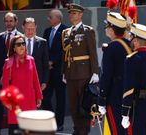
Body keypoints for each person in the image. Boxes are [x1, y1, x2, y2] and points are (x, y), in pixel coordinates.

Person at [62, 3, 99, 135]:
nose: (72, 15)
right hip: (70, 73)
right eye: (70, 13)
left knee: (84, 104)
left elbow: (93, 52)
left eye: (75, 13)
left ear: (81, 15)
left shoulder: (87, 30)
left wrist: (95, 72)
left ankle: (84, 130)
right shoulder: (65, 32)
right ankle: (77, 129)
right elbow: (64, 55)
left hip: (84, 73)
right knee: (73, 105)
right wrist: (64, 72)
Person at [97, 12, 132, 134]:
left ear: (111, 29)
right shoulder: (131, 45)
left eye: (107, 27)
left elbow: (106, 76)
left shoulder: (110, 48)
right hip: (130, 96)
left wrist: (101, 100)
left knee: (116, 131)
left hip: (115, 97)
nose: (106, 29)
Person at [0, 12, 22, 135]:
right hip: (0, 77)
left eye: (11, 21)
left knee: (14, 105)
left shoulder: (21, 37)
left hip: (15, 77)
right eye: (6, 21)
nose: (8, 23)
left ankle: (14, 131)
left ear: (15, 22)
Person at [2, 35, 42, 135]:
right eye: (18, 44)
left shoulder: (31, 59)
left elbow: (35, 80)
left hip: (30, 100)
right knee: (16, 130)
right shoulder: (8, 62)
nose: (21, 46)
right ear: (14, 48)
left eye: (23, 43)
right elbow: (5, 84)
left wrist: (39, 96)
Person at [42, 9, 67, 131]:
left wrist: (53, 61)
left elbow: (65, 50)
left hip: (59, 70)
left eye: (50, 17)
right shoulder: (47, 31)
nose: (48, 19)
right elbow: (43, 48)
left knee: (60, 98)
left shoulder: (65, 31)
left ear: (58, 18)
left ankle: (60, 123)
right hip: (47, 71)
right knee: (45, 97)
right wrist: (45, 62)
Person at [121, 23, 146, 135]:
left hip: (140, 104)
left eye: (131, 38)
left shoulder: (132, 59)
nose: (130, 41)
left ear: (136, 41)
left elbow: (129, 89)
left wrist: (125, 113)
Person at [22, 17, 49, 91]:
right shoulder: (17, 41)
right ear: (23, 27)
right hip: (21, 80)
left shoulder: (42, 42)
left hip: (38, 80)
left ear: (36, 27)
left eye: (32, 29)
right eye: (28, 29)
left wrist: (44, 81)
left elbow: (45, 64)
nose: (30, 31)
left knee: (36, 102)